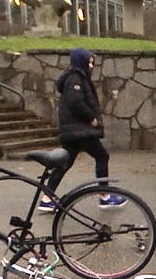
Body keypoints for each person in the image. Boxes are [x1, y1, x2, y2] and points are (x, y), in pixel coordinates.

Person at [38, 48, 126, 211]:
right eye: (89, 62)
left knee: (65, 163)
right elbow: (75, 102)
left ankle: (47, 198)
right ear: (81, 62)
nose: (92, 65)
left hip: (73, 131)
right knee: (102, 155)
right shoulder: (76, 79)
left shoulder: (76, 77)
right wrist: (91, 118)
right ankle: (105, 196)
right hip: (80, 130)